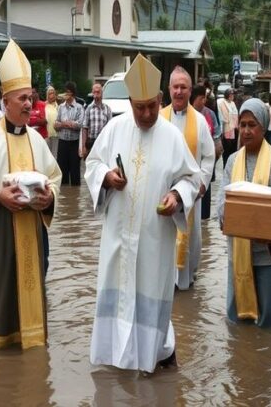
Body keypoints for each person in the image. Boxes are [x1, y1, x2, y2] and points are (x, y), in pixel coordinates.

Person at [85, 54, 200, 372]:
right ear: (130, 103)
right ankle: (115, 360)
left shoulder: (172, 136)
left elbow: (192, 179)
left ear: (160, 99)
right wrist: (106, 177)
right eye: (140, 108)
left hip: (153, 239)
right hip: (118, 237)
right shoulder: (114, 128)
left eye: (151, 106)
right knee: (116, 295)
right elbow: (92, 165)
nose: (147, 114)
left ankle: (154, 357)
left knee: (150, 298)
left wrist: (176, 196)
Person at [0, 40, 61, 350]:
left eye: (31, 98)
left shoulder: (37, 139)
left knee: (33, 284)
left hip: (32, 230)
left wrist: (50, 198)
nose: (29, 104)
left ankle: (31, 342)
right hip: (0, 232)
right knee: (2, 293)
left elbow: (55, 176)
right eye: (22, 99)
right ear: (5, 101)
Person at [217, 98, 271, 328]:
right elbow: (223, 200)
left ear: (264, 127)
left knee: (269, 319)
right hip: (237, 252)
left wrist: (257, 224)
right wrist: (227, 217)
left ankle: (263, 352)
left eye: (252, 125)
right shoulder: (232, 161)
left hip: (267, 254)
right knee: (235, 319)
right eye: (243, 124)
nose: (246, 131)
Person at [162, 67, 215, 291]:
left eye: (183, 87)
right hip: (163, 191)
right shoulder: (159, 118)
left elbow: (209, 156)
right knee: (164, 236)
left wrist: (202, 184)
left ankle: (186, 280)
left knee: (190, 238)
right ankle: (165, 279)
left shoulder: (200, 121)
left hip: (191, 193)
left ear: (190, 90)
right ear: (169, 89)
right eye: (175, 87)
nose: (179, 91)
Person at [194, 85, 221, 221]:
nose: (204, 101)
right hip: (193, 161)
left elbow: (216, 134)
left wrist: (217, 149)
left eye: (205, 98)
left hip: (207, 161)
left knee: (205, 192)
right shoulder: (188, 115)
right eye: (201, 98)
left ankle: (204, 223)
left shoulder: (210, 114)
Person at [55, 81, 84, 186]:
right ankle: (64, 193)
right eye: (65, 92)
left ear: (72, 93)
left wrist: (64, 124)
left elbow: (79, 124)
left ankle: (75, 193)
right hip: (62, 142)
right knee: (62, 169)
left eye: (68, 92)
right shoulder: (61, 107)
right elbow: (56, 124)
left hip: (74, 143)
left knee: (75, 170)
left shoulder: (79, 107)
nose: (66, 94)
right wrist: (66, 124)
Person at [79, 83, 112, 159]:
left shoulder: (107, 109)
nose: (96, 94)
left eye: (98, 92)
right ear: (92, 93)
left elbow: (110, 129)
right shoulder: (89, 108)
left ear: (102, 93)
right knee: (90, 163)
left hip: (103, 143)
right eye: (94, 92)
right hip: (91, 143)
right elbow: (85, 128)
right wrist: (83, 147)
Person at [217, 88, 239, 166]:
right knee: (226, 149)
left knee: (232, 149)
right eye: (231, 94)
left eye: (233, 94)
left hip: (233, 129)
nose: (233, 96)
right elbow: (222, 117)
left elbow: (235, 114)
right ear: (228, 95)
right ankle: (225, 165)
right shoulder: (221, 103)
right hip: (226, 129)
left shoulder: (233, 103)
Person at [44, 86, 60, 157]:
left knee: (55, 155)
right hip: (46, 134)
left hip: (56, 133)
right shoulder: (44, 105)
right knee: (46, 155)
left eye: (53, 93)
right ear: (47, 95)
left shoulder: (58, 106)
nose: (52, 95)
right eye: (50, 93)